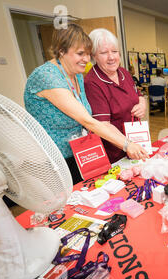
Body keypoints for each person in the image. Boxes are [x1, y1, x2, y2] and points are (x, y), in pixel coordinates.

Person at [24, 24, 148, 185]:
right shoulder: (46, 76)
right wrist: (127, 144)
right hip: (51, 159)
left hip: (78, 153)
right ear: (61, 51)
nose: (86, 60)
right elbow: (88, 120)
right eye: (80, 54)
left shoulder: (77, 76)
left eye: (88, 54)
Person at [84, 28, 148, 163]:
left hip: (137, 142)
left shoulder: (123, 72)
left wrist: (142, 104)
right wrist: (127, 145)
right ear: (94, 56)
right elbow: (103, 125)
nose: (111, 57)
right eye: (103, 53)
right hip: (115, 151)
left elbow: (139, 94)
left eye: (114, 51)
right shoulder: (92, 83)